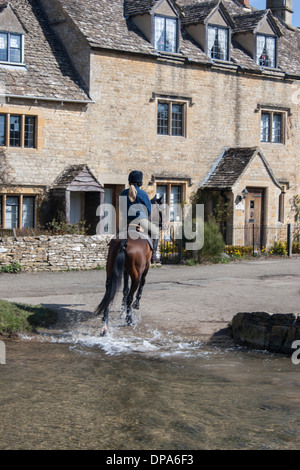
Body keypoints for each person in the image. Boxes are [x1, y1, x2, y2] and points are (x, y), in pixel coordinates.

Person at [120, 170, 160, 263]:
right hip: (140, 221)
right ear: (140, 182)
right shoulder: (143, 193)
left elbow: (121, 208)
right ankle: (154, 255)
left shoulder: (123, 193)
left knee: (116, 237)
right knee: (155, 232)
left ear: (129, 181)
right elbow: (149, 210)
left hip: (126, 221)